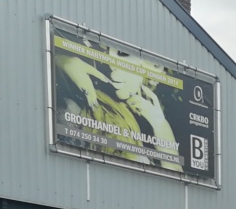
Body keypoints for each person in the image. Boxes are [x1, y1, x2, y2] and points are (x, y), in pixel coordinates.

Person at [55, 47, 183, 173]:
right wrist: (62, 62)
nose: (111, 64)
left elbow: (177, 185)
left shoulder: (156, 120)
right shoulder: (88, 101)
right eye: (106, 53)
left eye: (122, 53)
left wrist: (160, 125)